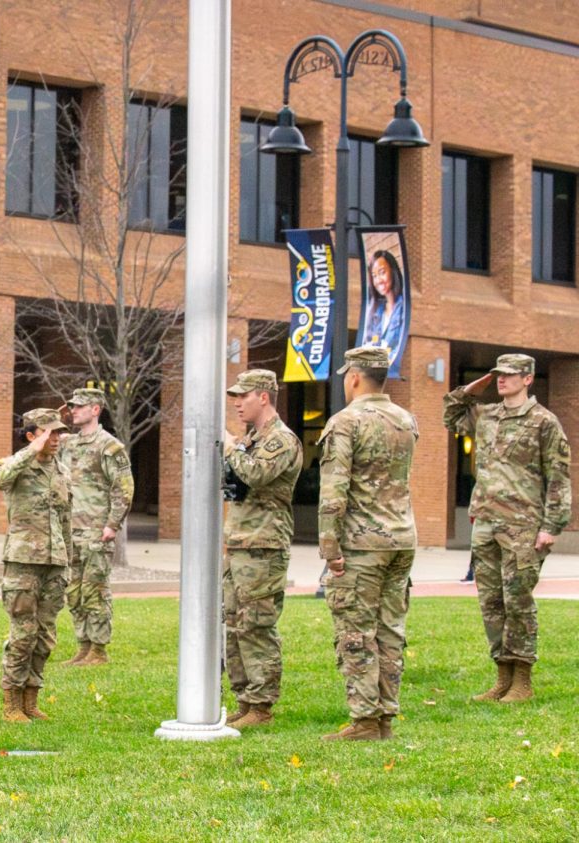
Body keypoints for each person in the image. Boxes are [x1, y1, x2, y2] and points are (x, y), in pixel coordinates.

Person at [443, 353, 571, 704]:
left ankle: (522, 680)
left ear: (528, 378)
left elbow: (559, 477)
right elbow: (451, 416)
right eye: (498, 374)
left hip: (523, 526)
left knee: (518, 602)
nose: (501, 380)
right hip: (485, 522)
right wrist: (472, 388)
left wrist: (552, 526)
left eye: (510, 375)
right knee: (491, 603)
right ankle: (502, 677)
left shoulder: (544, 422)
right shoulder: (487, 415)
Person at [318, 346, 418, 742]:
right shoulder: (406, 419)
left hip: (362, 544)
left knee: (356, 631)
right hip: (402, 539)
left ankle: (364, 721)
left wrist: (330, 550)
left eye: (347, 374)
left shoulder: (346, 422)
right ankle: (385, 718)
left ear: (355, 377)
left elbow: (334, 491)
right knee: (390, 629)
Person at [220, 370, 302, 729]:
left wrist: (231, 447)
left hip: (264, 546)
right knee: (235, 623)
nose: (237, 403)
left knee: (257, 624)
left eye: (244, 396)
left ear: (264, 397)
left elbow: (256, 475)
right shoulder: (251, 439)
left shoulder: (281, 440)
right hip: (240, 542)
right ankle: (244, 699)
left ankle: (262, 705)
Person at [0, 408, 72, 723]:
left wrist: (69, 562)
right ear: (31, 435)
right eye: (49, 432)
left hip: (55, 564)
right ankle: (11, 702)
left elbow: (65, 519)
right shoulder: (14, 466)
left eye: (58, 433)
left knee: (45, 635)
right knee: (23, 634)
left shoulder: (62, 472)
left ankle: (31, 698)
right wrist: (30, 451)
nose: (56, 438)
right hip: (24, 563)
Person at [58, 387, 133, 667]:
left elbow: (124, 487)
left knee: (95, 591)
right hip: (71, 532)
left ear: (95, 410)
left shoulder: (109, 446)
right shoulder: (69, 444)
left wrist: (112, 524)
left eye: (79, 406)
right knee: (74, 592)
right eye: (72, 406)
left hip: (96, 531)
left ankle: (99, 649)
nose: (73, 410)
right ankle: (83, 646)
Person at [360, 250, 406, 372]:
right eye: (374, 276)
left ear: (393, 271)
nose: (378, 280)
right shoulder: (376, 311)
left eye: (382, 273)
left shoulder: (403, 308)